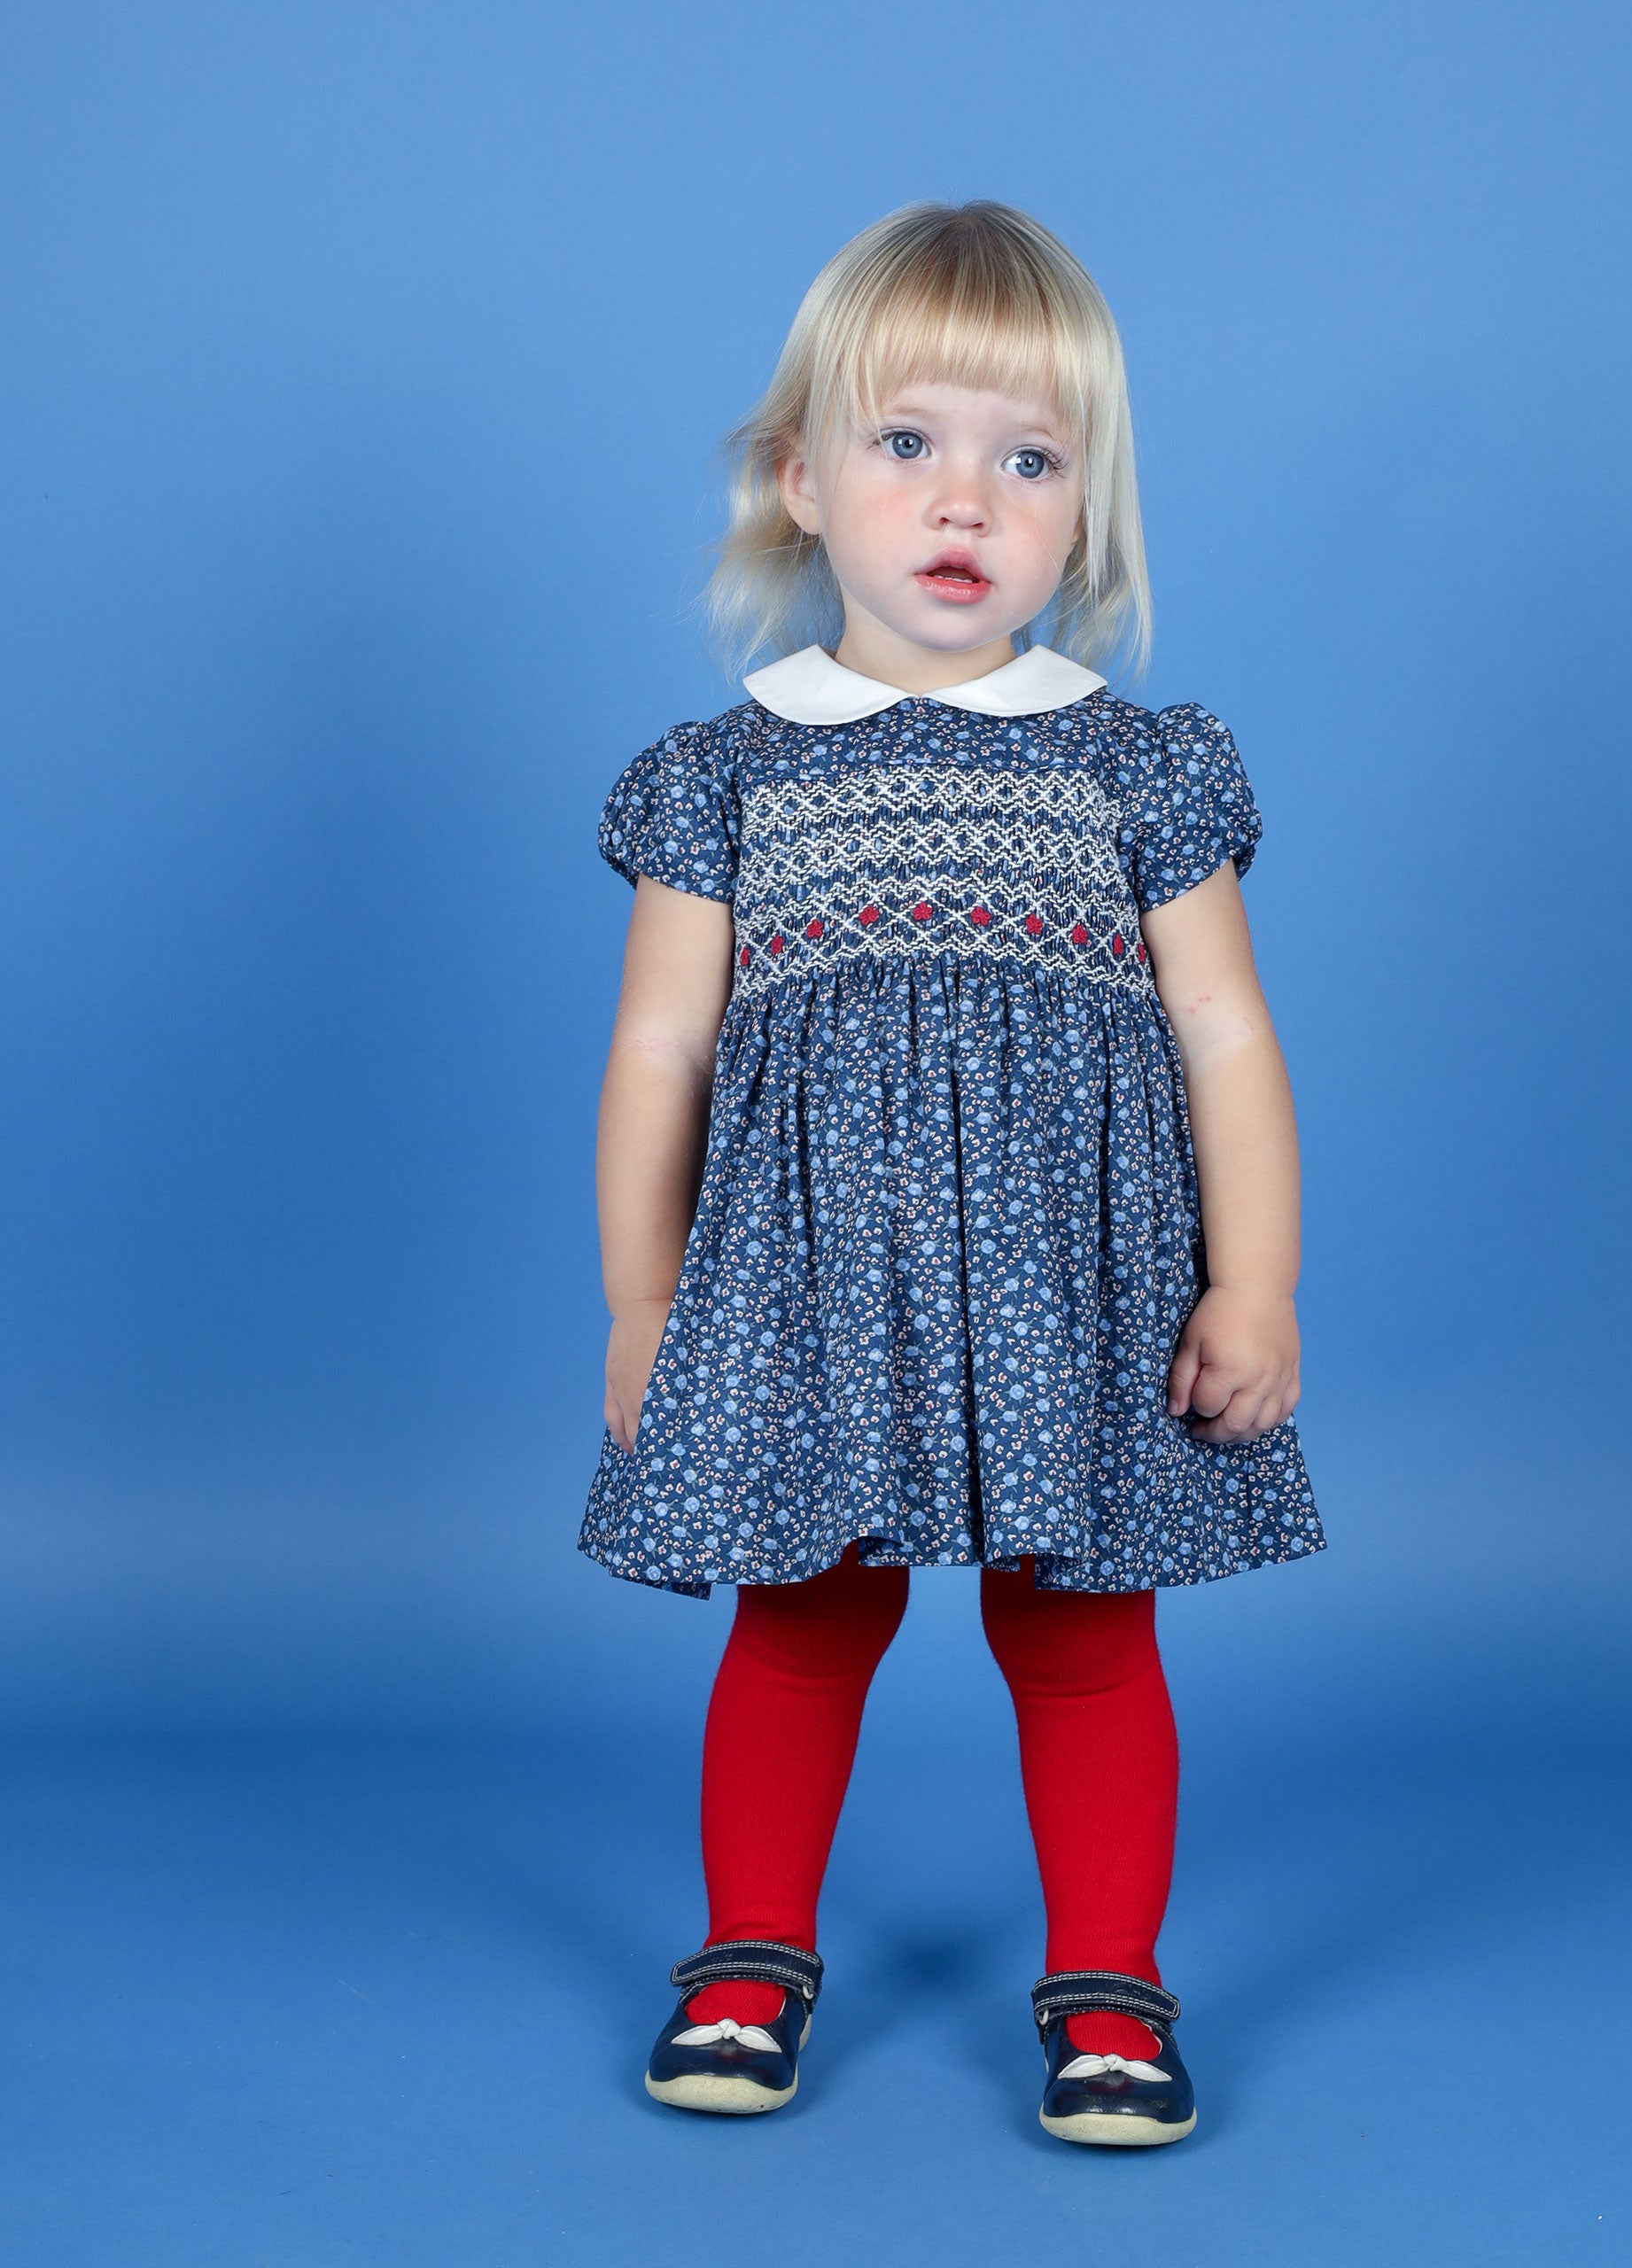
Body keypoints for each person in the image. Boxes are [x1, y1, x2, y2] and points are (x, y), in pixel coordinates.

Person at [580, 200, 1325, 2148]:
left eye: (1028, 457)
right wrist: (645, 1308)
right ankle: (748, 1951)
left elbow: (1226, 1035)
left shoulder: (1142, 766)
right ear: (796, 477)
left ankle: (1108, 1988)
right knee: (801, 1613)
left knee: (1081, 1628)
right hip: (805, 1285)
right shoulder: (719, 773)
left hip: (1069, 1288)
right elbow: (659, 1049)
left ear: (1083, 507)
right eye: (905, 442)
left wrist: (1254, 1283)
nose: (961, 499)